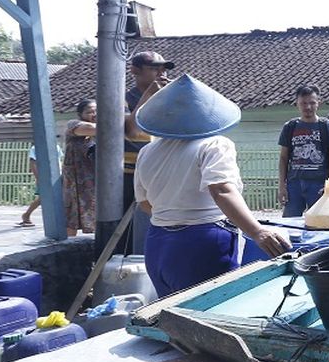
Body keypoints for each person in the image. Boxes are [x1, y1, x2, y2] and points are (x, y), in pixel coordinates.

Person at [134, 75, 291, 297]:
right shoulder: (214, 144)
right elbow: (221, 190)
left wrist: (175, 213)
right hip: (201, 245)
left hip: (158, 245)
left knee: (173, 319)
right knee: (211, 317)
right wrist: (257, 231)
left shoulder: (147, 151)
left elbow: (144, 203)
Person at [123, 51, 174, 252]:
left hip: (163, 172)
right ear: (135, 71)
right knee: (131, 230)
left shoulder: (167, 98)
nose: (160, 72)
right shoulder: (125, 99)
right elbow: (132, 131)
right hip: (131, 173)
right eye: (154, 68)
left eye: (163, 68)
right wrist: (149, 94)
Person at [277, 84, 329, 217]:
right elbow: (283, 158)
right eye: (303, 103)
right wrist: (282, 186)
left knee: (320, 223)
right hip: (294, 184)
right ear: (297, 104)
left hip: (318, 184)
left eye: (312, 103)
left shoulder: (328, 126)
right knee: (290, 224)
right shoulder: (290, 127)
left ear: (319, 103)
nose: (308, 107)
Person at [63, 99, 97, 237]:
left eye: (96, 111)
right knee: (72, 215)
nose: (94, 114)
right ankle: (67, 246)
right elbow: (94, 128)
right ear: (80, 114)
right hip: (74, 180)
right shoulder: (74, 125)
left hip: (92, 180)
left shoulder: (100, 134)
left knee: (94, 213)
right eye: (89, 111)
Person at [18, 138, 64, 227]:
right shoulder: (36, 148)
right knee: (43, 198)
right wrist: (38, 178)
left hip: (57, 175)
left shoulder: (56, 147)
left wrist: (61, 173)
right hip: (45, 176)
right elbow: (33, 163)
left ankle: (27, 215)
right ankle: (26, 215)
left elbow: (59, 161)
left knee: (58, 197)